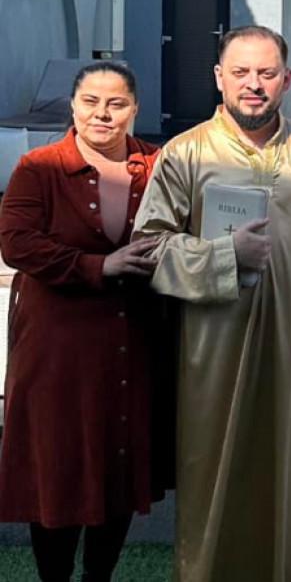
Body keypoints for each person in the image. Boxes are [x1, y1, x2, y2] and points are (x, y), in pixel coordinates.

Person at [132, 25, 291, 581]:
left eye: (266, 73)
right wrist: (225, 256)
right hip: (213, 355)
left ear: (287, 79)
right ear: (219, 78)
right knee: (212, 479)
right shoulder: (186, 153)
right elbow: (149, 248)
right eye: (241, 72)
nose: (254, 84)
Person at [0, 62, 173, 581]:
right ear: (73, 107)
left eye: (116, 103)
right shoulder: (39, 167)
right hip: (57, 351)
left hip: (133, 344)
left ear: (134, 108)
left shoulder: (158, 164)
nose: (102, 114)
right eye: (91, 102)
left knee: (117, 465)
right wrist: (99, 266)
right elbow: (18, 244)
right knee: (58, 468)